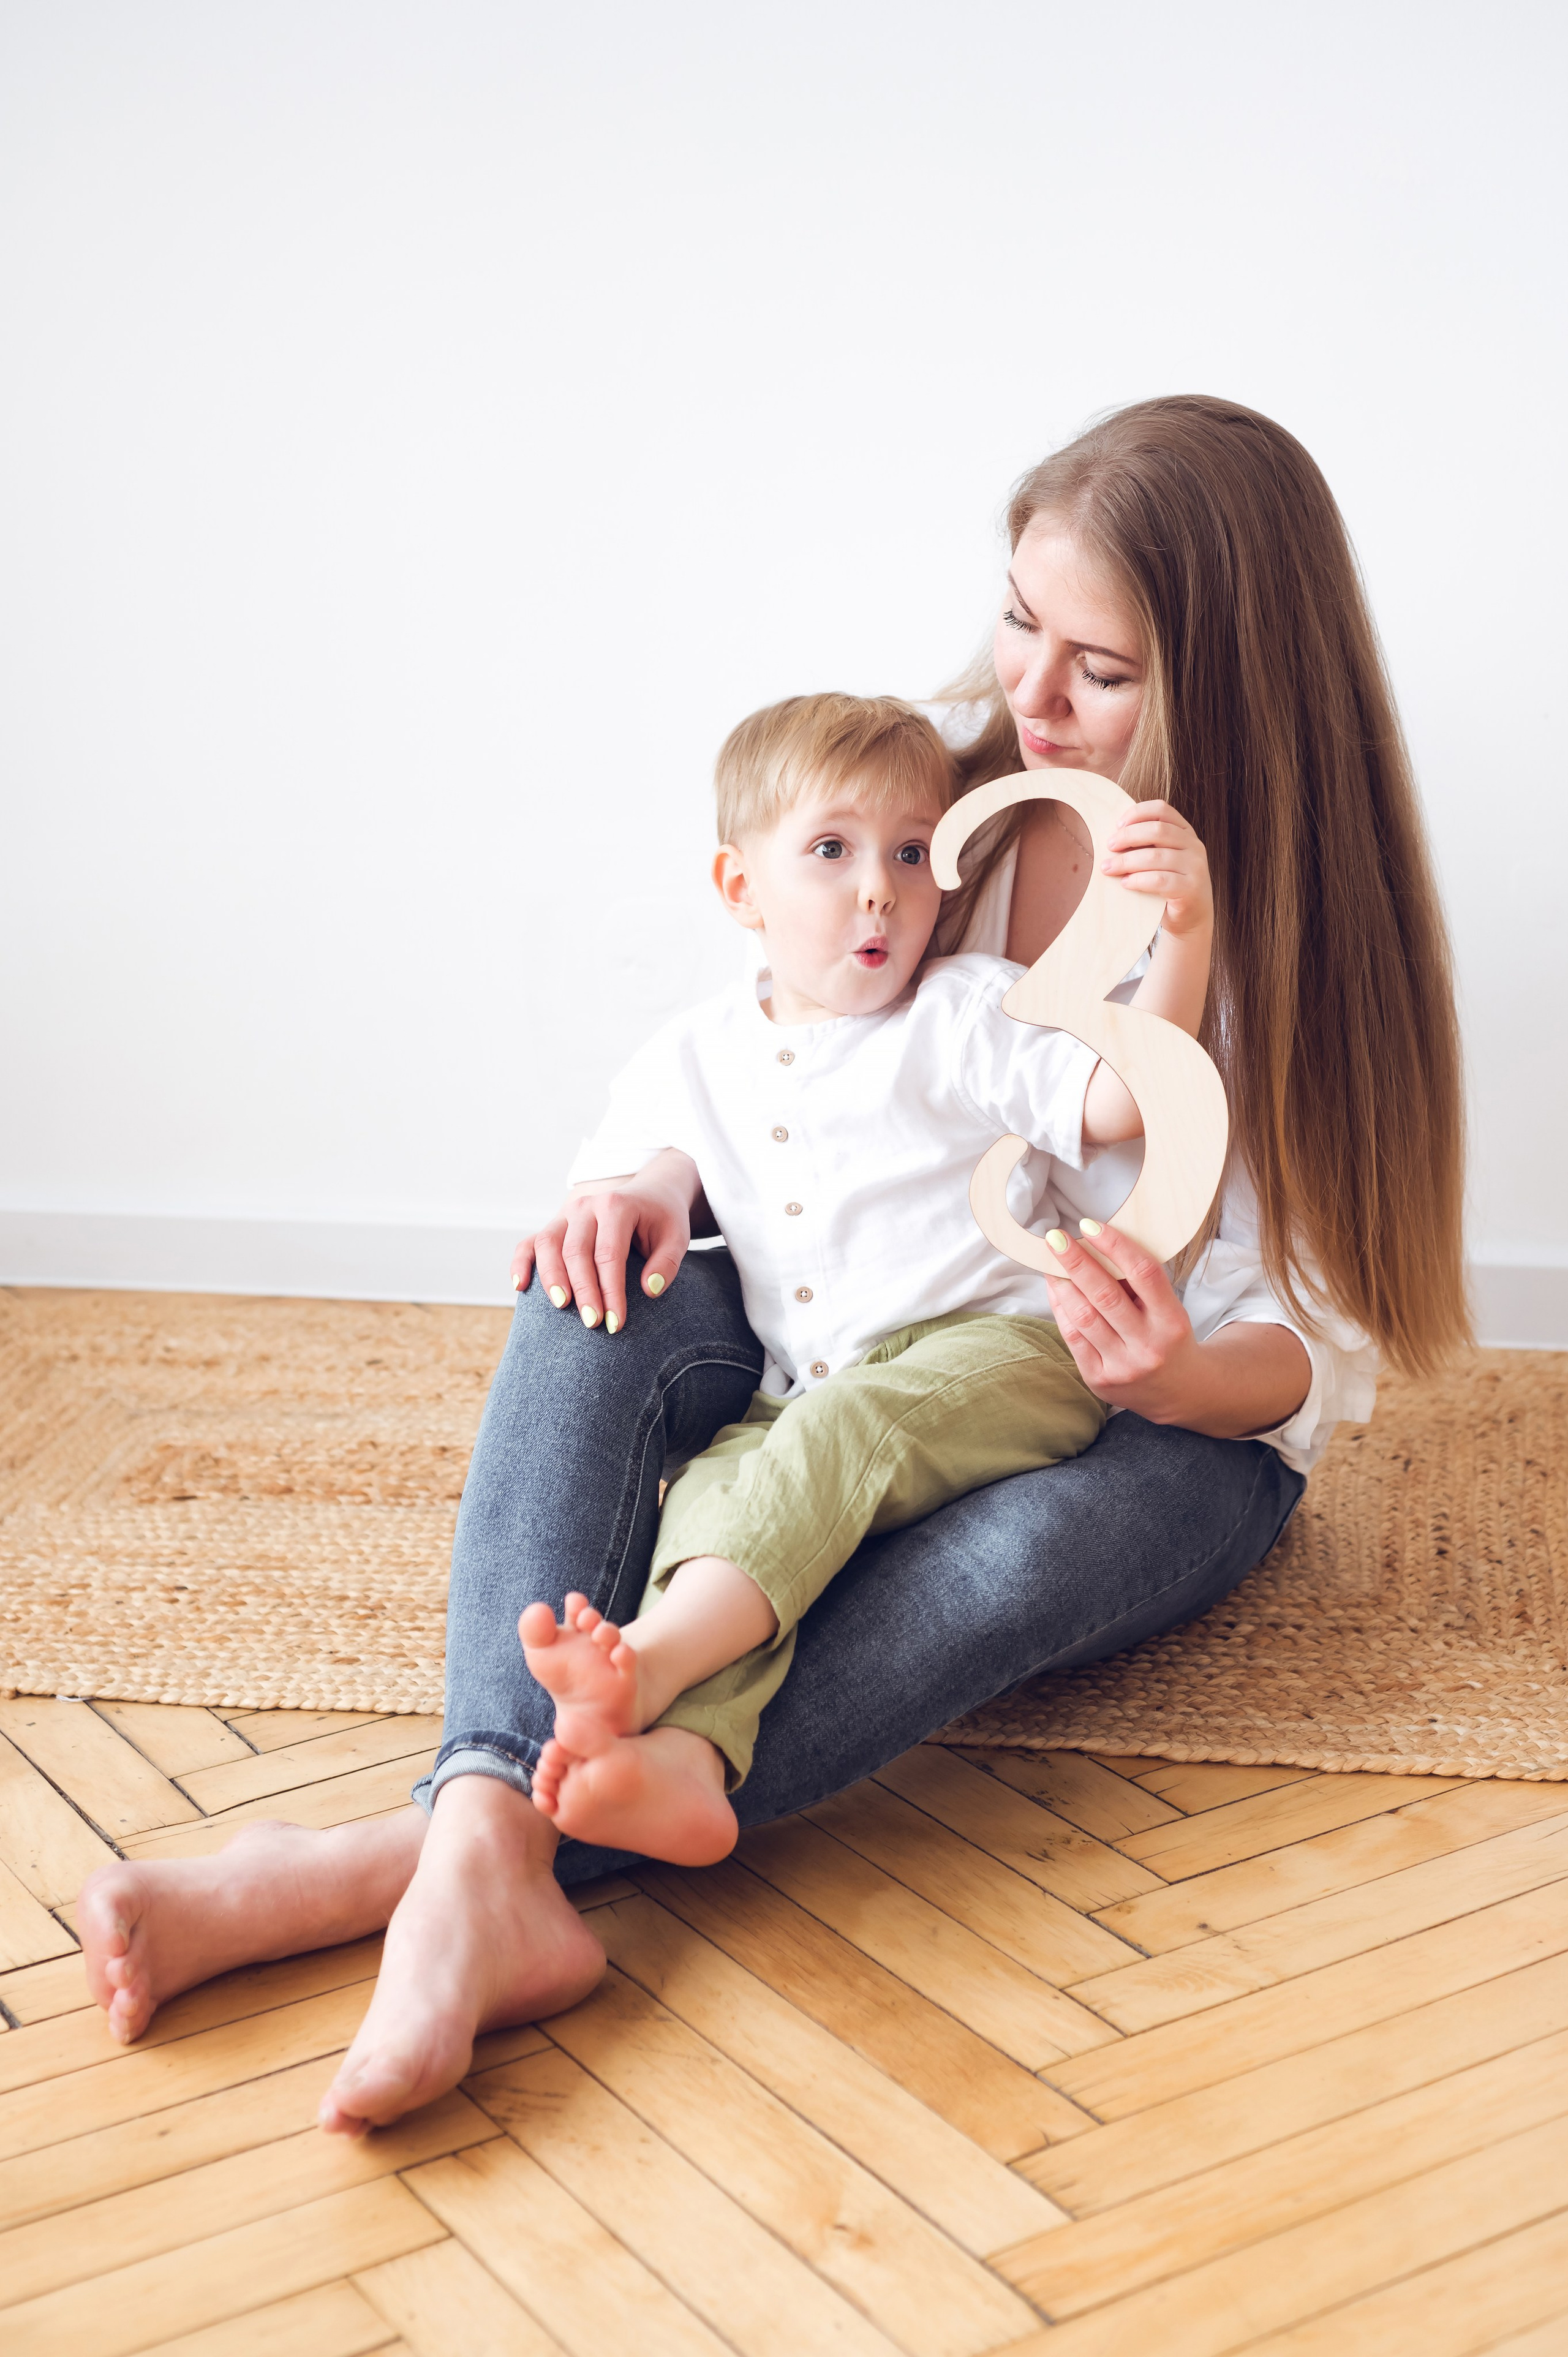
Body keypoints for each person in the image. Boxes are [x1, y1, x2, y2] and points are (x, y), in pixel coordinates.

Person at [76, 396, 1469, 2143]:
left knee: (1021, 1538)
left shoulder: (1270, 923)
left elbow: (1315, 1342)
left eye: (1097, 667)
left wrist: (1179, 1376)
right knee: (599, 1270)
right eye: (1021, 618)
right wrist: (646, 1173)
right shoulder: (928, 811)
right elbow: (770, 1052)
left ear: (1228, 680)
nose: (1026, 692)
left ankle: (401, 1859)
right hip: (860, 1350)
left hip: (1152, 1424)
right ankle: (490, 1854)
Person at [520, 687, 1213, 1866]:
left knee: (843, 1432)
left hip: (1001, 1353)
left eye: (909, 853)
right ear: (741, 888)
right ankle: (690, 1769)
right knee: (725, 1495)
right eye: (831, 852)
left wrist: (1186, 933)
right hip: (803, 1386)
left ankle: (648, 1665)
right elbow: (644, 1173)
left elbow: (1120, 1102)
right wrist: (646, 1193)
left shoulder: (965, 1011)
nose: (879, 888)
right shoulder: (692, 1053)